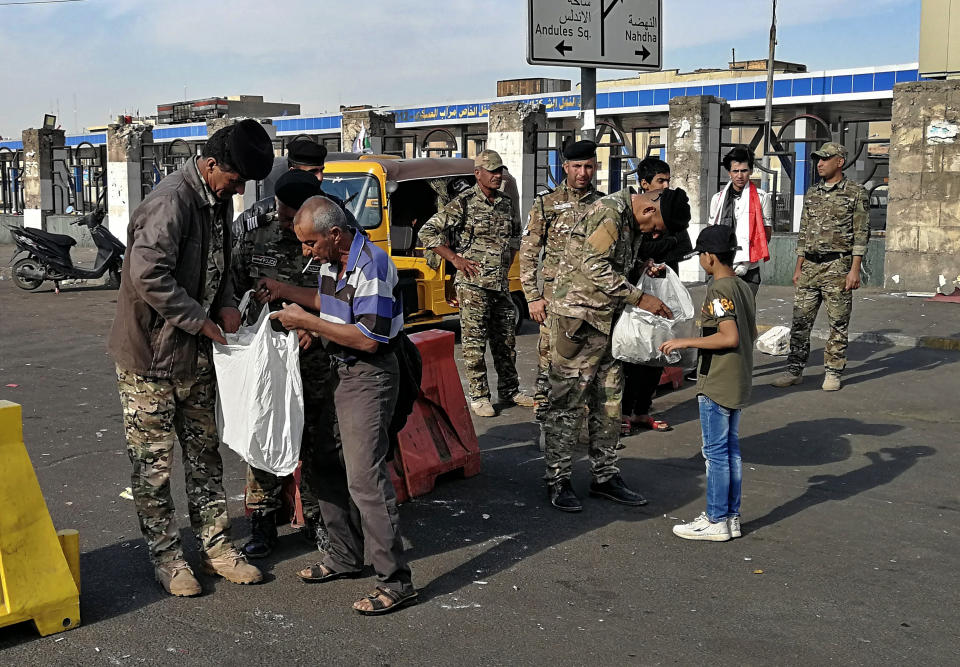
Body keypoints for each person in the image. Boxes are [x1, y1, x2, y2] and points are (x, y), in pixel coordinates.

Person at [108, 119, 274, 596]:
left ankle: (217, 546)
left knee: (205, 456)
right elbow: (148, 277)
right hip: (150, 359)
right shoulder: (170, 202)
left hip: (195, 356)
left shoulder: (216, 200)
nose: (238, 189)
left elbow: (216, 264)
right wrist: (201, 319)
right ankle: (167, 558)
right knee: (154, 464)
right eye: (235, 179)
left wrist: (224, 301)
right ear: (210, 164)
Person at [256, 196, 417, 616]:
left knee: (365, 478)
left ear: (334, 234)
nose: (306, 252)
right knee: (323, 462)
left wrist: (308, 324)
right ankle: (345, 555)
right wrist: (296, 305)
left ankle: (395, 580)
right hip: (339, 370)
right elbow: (332, 309)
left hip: (370, 375)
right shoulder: (332, 263)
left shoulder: (373, 265)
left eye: (310, 243)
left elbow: (368, 337)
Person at [542, 189, 674, 513]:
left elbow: (619, 264)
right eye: (657, 227)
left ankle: (605, 476)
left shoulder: (631, 221)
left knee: (610, 402)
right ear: (648, 209)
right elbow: (594, 266)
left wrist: (645, 266)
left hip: (608, 323)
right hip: (579, 321)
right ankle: (558, 480)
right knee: (568, 402)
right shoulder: (610, 212)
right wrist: (641, 298)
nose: (655, 233)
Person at [232, 170, 337, 558]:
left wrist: (318, 331)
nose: (279, 215)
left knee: (313, 436)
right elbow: (235, 286)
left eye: (288, 210)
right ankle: (262, 521)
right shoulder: (256, 234)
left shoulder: (327, 236)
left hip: (311, 353)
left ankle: (315, 517)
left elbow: (338, 299)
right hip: (266, 352)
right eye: (278, 206)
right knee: (262, 429)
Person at [418, 149, 535, 417]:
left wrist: (506, 262)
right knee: (474, 343)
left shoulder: (506, 202)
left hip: (500, 284)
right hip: (473, 286)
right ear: (477, 174)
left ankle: (510, 389)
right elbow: (428, 231)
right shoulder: (465, 202)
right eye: (491, 171)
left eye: (499, 171)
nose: (497, 176)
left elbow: (516, 234)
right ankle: (480, 396)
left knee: (505, 342)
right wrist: (455, 259)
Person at [661, 225, 758, 541]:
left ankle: (716, 519)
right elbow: (747, 334)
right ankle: (730, 517)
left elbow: (728, 336)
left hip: (717, 381)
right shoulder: (742, 286)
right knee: (731, 452)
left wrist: (685, 342)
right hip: (738, 378)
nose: (701, 261)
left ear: (709, 257)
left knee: (715, 453)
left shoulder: (718, 291)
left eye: (701, 256)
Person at [519, 139, 605, 425]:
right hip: (554, 298)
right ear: (566, 167)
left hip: (592, 299)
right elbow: (529, 253)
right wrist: (532, 296)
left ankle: (582, 421)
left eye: (589, 166)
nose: (583, 172)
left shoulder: (604, 204)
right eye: (577, 166)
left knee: (589, 362)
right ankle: (546, 419)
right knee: (549, 360)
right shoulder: (547, 204)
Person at [772, 142, 869, 392]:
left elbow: (861, 234)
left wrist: (854, 269)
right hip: (810, 267)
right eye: (818, 159)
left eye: (826, 159)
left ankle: (834, 371)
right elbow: (803, 233)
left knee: (837, 322)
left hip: (838, 265)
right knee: (800, 321)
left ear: (840, 161)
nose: (820, 163)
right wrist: (798, 266)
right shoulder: (813, 193)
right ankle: (794, 370)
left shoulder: (855, 193)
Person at [621, 158, 692, 435]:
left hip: (664, 290)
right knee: (631, 351)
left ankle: (642, 411)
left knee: (658, 350)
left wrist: (662, 248)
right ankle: (625, 412)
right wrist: (660, 247)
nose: (665, 186)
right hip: (635, 293)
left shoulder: (671, 209)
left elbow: (684, 245)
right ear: (644, 184)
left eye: (667, 180)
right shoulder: (630, 213)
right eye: (660, 181)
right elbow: (633, 252)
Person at [235, 138, 355, 238]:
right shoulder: (261, 211)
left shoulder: (335, 209)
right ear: (293, 172)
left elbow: (358, 247)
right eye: (313, 172)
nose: (320, 177)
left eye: (321, 170)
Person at [707, 145, 773, 295]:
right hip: (721, 266)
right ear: (729, 173)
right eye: (735, 171)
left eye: (744, 170)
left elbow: (766, 234)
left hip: (749, 269)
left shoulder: (762, 197)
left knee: (744, 314)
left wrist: (746, 258)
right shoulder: (717, 199)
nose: (739, 175)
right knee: (720, 312)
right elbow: (711, 234)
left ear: (750, 171)